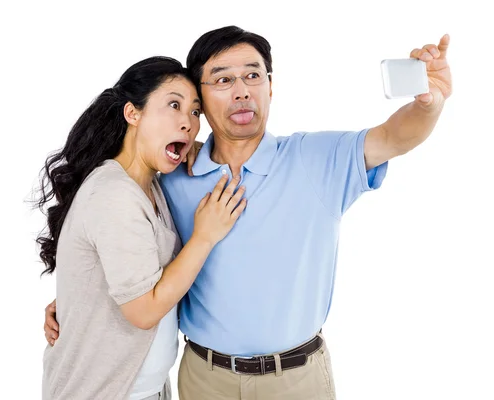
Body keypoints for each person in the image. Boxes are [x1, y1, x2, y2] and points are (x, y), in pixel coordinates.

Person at [44, 26, 452, 399]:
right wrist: (81, 302)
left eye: (253, 76)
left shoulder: (315, 158)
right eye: (223, 79)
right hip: (203, 378)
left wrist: (428, 104)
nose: (241, 90)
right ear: (201, 98)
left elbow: (393, 137)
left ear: (270, 87)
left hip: (297, 379)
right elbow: (115, 242)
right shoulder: (170, 176)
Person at [36, 56, 247, 400]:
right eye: (174, 105)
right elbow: (144, 310)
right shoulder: (113, 194)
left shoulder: (150, 185)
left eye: (195, 112)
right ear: (133, 114)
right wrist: (205, 236)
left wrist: (79, 301)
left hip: (145, 389)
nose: (188, 123)